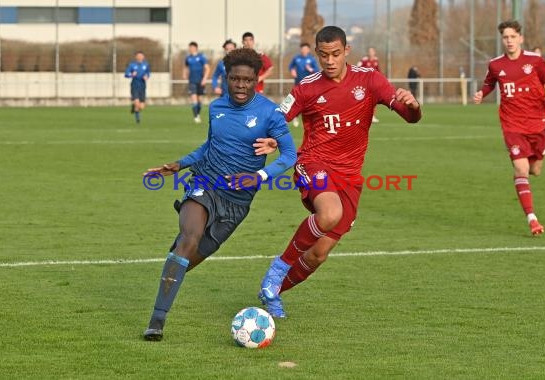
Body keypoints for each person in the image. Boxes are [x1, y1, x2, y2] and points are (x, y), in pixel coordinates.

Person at [257, 26, 422, 319]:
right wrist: (274, 138)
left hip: (350, 177)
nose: (330, 61)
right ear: (317, 55)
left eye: (335, 54)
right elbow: (278, 118)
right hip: (314, 164)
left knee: (319, 253)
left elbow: (409, 116)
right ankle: (278, 268)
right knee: (329, 213)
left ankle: (272, 293)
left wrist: (414, 106)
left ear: (347, 51)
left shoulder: (370, 80)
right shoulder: (307, 87)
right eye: (323, 56)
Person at [143, 48, 297, 341]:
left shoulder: (269, 113)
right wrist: (181, 164)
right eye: (235, 79)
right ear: (226, 78)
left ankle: (176, 261)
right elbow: (209, 146)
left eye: (247, 80)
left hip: (237, 203)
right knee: (189, 239)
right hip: (205, 182)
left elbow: (290, 155)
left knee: (184, 261)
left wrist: (258, 176)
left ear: (256, 80)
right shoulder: (216, 108)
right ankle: (156, 322)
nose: (241, 85)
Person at [474, 20, 545, 236]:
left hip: (537, 122)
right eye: (505, 37)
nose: (509, 41)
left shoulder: (535, 61)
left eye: (513, 37)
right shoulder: (495, 64)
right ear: (502, 39)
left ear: (520, 38)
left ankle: (524, 173)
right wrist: (482, 93)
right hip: (512, 124)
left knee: (535, 170)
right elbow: (489, 82)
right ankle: (532, 219)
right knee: (521, 170)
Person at [288, 42, 320, 127]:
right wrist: (293, 71)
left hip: (309, 85)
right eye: (302, 49)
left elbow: (317, 71)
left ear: (308, 50)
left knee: (309, 102)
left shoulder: (312, 59)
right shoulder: (296, 58)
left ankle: (309, 119)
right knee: (296, 101)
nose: (304, 50)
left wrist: (310, 69)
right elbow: (290, 66)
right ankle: (294, 117)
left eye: (305, 49)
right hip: (298, 83)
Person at [184, 41, 210, 124]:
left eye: (192, 47)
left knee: (200, 101)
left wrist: (204, 79)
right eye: (189, 48)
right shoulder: (188, 58)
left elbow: (207, 68)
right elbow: (186, 67)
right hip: (192, 81)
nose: (190, 49)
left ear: (195, 48)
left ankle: (198, 114)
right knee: (194, 99)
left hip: (201, 82)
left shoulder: (201, 57)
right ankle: (196, 117)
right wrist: (184, 74)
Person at [124, 51, 150, 124]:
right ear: (136, 57)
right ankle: (138, 120)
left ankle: (134, 107)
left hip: (143, 86)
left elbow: (148, 73)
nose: (140, 57)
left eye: (141, 56)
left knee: (141, 107)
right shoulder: (132, 65)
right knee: (137, 103)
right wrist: (132, 75)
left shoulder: (146, 65)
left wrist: (146, 76)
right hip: (134, 85)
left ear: (143, 57)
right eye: (138, 56)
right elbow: (126, 74)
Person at [358, 47, 380, 123]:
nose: (370, 53)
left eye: (372, 51)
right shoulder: (364, 60)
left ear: (374, 52)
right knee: (362, 100)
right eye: (369, 51)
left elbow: (378, 71)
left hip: (373, 84)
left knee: (373, 100)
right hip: (364, 84)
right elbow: (357, 69)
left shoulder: (376, 60)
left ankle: (372, 116)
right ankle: (361, 116)